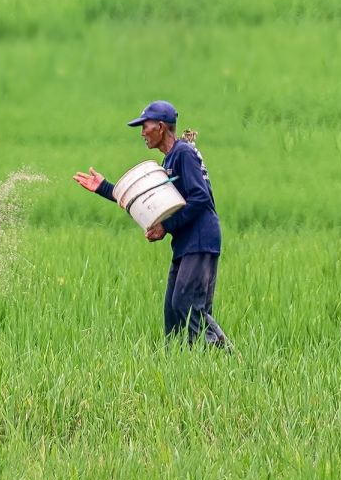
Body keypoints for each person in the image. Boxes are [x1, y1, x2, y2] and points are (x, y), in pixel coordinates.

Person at [73, 101, 231, 348]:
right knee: (173, 314)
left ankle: (227, 356)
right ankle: (183, 367)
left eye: (144, 126)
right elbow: (146, 200)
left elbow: (200, 197)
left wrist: (165, 227)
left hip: (200, 240)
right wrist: (104, 188)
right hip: (186, 244)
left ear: (160, 127)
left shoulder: (183, 153)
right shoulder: (171, 159)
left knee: (187, 307)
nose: (141, 132)